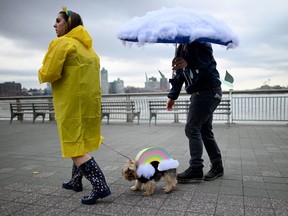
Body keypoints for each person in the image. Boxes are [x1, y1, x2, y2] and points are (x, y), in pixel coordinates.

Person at [38, 7, 111, 204]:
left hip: (70, 104)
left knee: (73, 146)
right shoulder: (89, 49)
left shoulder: (63, 43)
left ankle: (100, 185)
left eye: (58, 21)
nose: (54, 25)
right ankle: (75, 180)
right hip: (89, 105)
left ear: (69, 24)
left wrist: (40, 71)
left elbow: (48, 73)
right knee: (80, 141)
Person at [166, 42, 224, 183]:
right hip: (198, 92)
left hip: (208, 90)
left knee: (192, 129)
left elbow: (207, 63)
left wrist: (188, 62)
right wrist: (172, 96)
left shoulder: (201, 42)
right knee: (204, 130)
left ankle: (196, 168)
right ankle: (217, 166)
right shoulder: (181, 47)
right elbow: (179, 75)